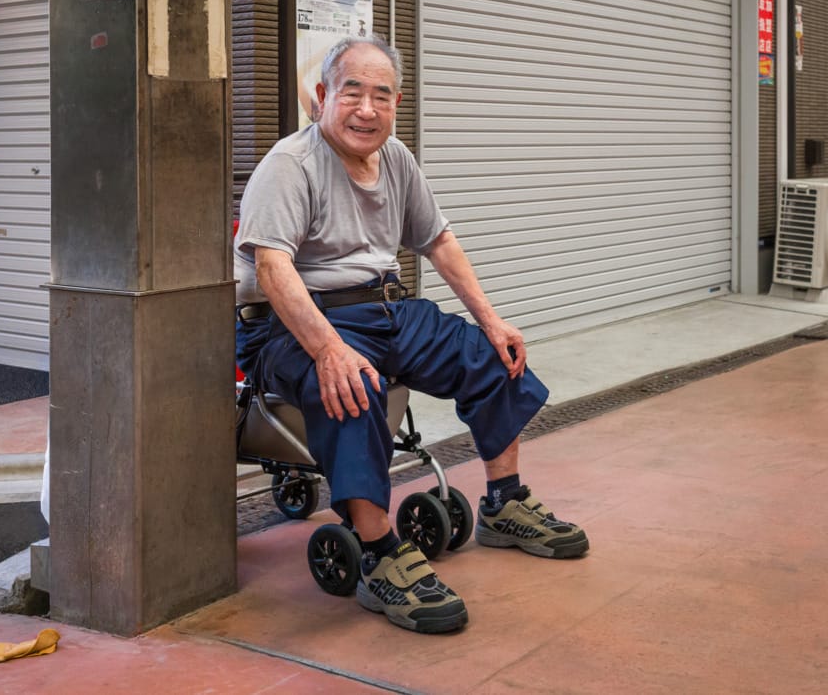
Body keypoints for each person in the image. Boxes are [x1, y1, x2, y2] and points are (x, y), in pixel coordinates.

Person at [233, 35, 588, 634]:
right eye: (352, 92)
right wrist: (329, 349)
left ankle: (504, 504)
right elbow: (273, 268)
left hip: (384, 309)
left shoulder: (395, 157)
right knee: (352, 386)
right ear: (322, 96)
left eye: (382, 96)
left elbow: (439, 240)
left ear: (397, 103)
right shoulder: (289, 166)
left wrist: (491, 318)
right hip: (292, 323)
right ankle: (377, 556)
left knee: (492, 357)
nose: (367, 109)